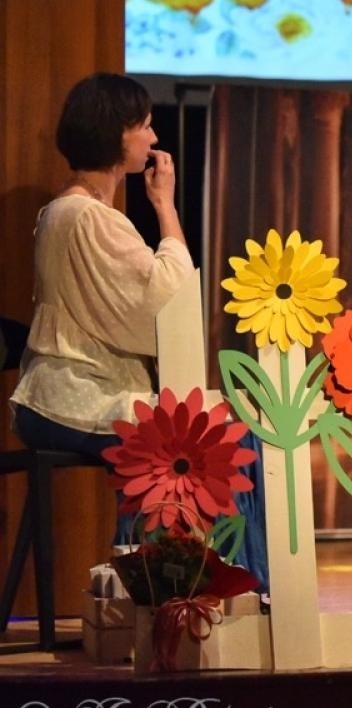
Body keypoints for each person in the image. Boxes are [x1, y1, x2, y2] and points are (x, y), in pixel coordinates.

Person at [9, 74, 268, 586]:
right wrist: (166, 207)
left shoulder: (71, 213)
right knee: (214, 432)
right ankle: (216, 584)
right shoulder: (87, 217)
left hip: (66, 395)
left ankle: (236, 579)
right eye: (145, 126)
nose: (153, 139)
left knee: (232, 425)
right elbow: (163, 303)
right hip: (71, 397)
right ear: (116, 132)